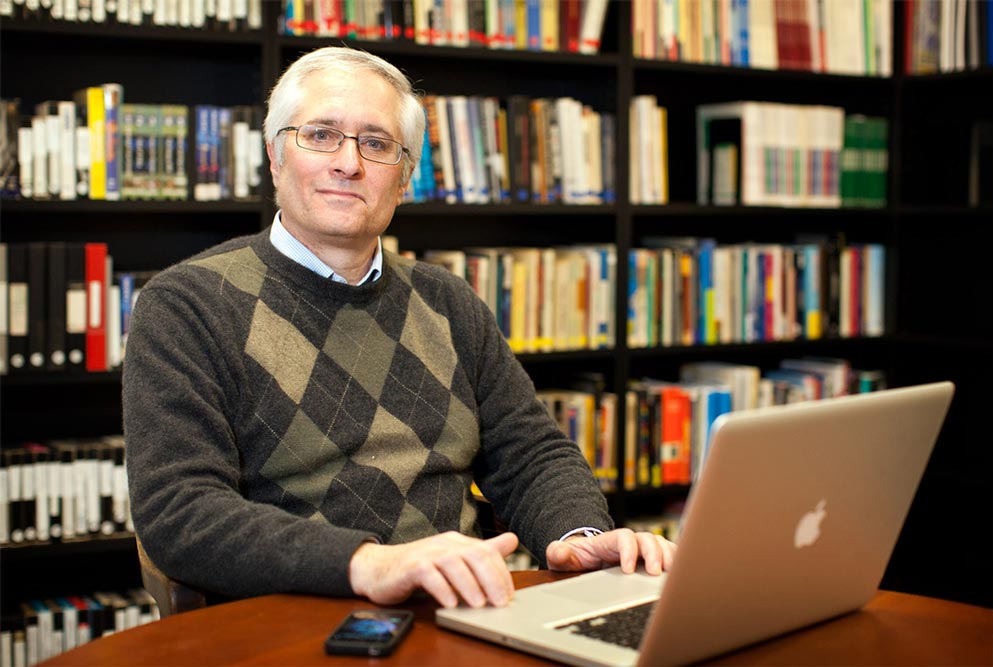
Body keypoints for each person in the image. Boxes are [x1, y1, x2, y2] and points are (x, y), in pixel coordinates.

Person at [122, 46, 675, 611]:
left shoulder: (448, 301)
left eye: (377, 144)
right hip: (294, 618)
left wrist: (578, 538)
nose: (348, 163)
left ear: (405, 177)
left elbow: (531, 453)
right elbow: (181, 510)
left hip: (462, 612)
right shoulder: (186, 305)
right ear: (274, 155)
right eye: (320, 135)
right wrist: (368, 562)